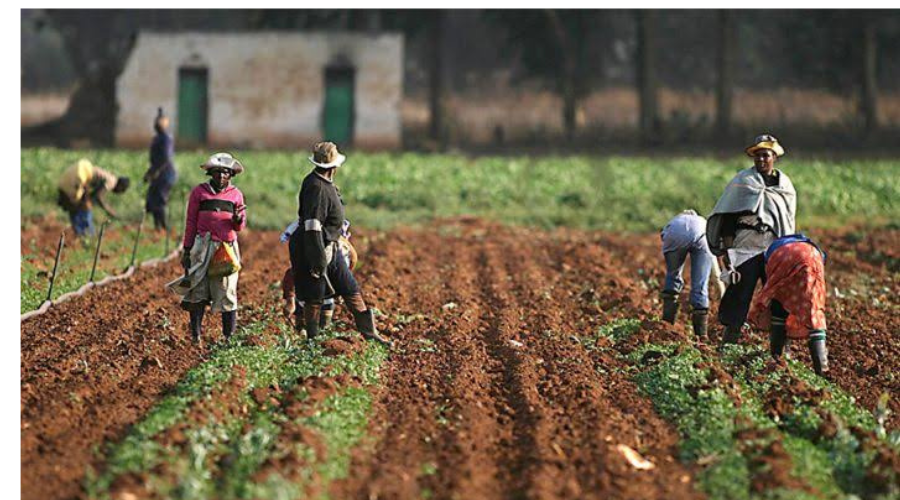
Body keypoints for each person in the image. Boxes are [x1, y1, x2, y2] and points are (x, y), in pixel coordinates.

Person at [288, 141, 390, 346]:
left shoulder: (325, 184)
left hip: (330, 245)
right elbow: (312, 225)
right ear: (334, 166)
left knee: (349, 286)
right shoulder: (316, 187)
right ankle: (312, 340)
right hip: (314, 246)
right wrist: (317, 259)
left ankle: (370, 333)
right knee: (314, 294)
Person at [706, 134, 797, 346]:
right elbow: (728, 218)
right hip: (744, 248)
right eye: (757, 156)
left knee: (778, 297)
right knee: (739, 295)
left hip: (773, 249)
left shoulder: (784, 187)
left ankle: (780, 349)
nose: (761, 160)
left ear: (774, 157)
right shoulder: (742, 182)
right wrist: (728, 252)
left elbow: (788, 220)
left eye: (765, 155)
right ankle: (729, 344)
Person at [170, 153, 247, 344]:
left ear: (231, 175)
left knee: (227, 290)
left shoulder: (236, 195)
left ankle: (228, 337)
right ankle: (196, 336)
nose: (221, 176)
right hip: (201, 246)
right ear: (211, 173)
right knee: (197, 289)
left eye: (226, 173)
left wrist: (238, 220)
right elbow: (191, 222)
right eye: (218, 172)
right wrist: (186, 250)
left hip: (226, 248)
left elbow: (240, 226)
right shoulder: (199, 192)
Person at [748, 234, 829, 376]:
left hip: (783, 259)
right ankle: (822, 370)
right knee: (814, 310)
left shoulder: (773, 249)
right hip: (814, 258)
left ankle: (777, 357)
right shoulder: (811, 247)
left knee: (779, 303)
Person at [281, 219, 357, 333]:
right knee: (302, 326)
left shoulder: (340, 256)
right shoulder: (303, 261)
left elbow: (351, 263)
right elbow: (291, 276)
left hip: (325, 297)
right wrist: (290, 301)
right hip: (304, 296)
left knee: (323, 326)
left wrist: (340, 292)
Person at [659, 210, 714, 339]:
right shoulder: (702, 221)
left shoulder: (674, 221)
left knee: (673, 275)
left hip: (674, 235)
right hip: (702, 237)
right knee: (700, 284)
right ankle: (701, 335)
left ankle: (667, 324)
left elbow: (663, 237)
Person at [56, 158, 130, 236]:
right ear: (120, 186)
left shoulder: (109, 176)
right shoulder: (112, 181)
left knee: (76, 207)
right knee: (86, 207)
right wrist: (110, 211)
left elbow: (93, 194)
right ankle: (88, 235)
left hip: (75, 177)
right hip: (80, 177)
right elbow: (99, 196)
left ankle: (80, 233)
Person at [144, 107, 178, 230]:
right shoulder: (157, 138)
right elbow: (155, 160)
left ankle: (163, 227)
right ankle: (157, 226)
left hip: (165, 174)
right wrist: (149, 172)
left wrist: (155, 171)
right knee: (152, 199)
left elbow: (165, 158)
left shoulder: (166, 139)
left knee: (159, 199)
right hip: (157, 174)